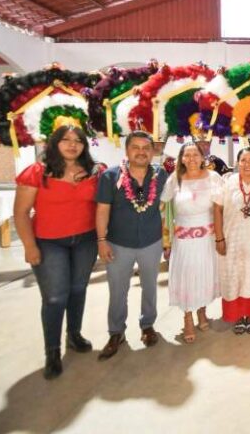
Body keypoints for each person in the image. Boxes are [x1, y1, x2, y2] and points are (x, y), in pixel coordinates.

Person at [13, 125, 104, 379]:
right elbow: (21, 213)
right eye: (66, 140)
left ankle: (73, 335)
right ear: (55, 143)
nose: (72, 145)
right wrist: (29, 245)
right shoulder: (37, 173)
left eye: (78, 141)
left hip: (85, 240)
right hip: (48, 242)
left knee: (78, 289)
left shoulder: (94, 172)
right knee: (54, 297)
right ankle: (52, 351)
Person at [96, 130, 168, 360]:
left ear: (152, 151)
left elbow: (167, 207)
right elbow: (102, 210)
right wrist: (101, 241)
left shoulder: (161, 175)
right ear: (127, 150)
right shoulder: (110, 176)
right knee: (118, 290)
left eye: (146, 148)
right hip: (119, 243)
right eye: (135, 147)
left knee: (150, 287)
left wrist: (168, 239)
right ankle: (116, 332)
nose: (141, 152)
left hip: (151, 242)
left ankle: (148, 325)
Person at [161, 142, 222, 343]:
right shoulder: (174, 179)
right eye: (186, 155)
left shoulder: (213, 177)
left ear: (202, 157)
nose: (191, 159)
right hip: (183, 239)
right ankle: (187, 317)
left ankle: (202, 311)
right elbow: (163, 207)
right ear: (181, 159)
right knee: (186, 276)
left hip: (207, 238)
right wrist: (166, 239)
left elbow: (221, 207)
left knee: (203, 275)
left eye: (195, 154)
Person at [214, 147, 250, 334]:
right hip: (231, 241)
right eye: (243, 160)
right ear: (237, 163)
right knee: (234, 278)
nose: (247, 164)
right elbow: (217, 209)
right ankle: (237, 316)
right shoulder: (228, 182)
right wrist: (219, 239)